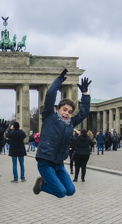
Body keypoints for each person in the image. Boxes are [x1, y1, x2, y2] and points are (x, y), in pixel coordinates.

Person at [33, 69, 91, 198]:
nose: (67, 113)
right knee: (60, 192)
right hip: (45, 161)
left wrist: (85, 94)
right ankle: (41, 185)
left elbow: (84, 112)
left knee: (70, 191)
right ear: (58, 109)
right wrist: (58, 81)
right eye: (64, 110)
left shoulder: (70, 123)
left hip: (58, 163)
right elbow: (49, 95)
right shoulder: (49, 116)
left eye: (70, 111)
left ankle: (45, 183)